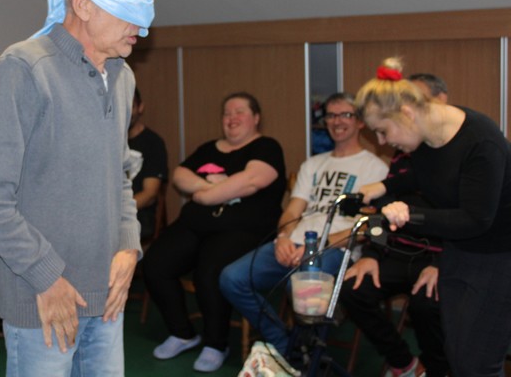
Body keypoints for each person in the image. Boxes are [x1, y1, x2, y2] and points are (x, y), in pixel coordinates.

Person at [0, 0, 154, 377]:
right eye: (132, 6)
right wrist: (46, 276)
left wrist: (128, 245)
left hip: (106, 295)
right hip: (42, 299)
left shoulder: (121, 76)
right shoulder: (23, 70)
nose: (143, 25)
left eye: (148, 7)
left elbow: (119, 176)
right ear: (83, 4)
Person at [357, 57, 511, 376]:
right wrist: (384, 187)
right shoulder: (426, 136)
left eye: (382, 131)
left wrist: (410, 215)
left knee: (478, 363)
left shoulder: (480, 141)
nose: (382, 142)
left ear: (407, 113)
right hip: (458, 251)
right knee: (457, 354)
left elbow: (476, 220)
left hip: (499, 258)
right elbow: (427, 172)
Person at [218, 92, 388, 360]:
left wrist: (318, 246)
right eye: (331, 115)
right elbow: (292, 210)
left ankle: (308, 355)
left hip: (336, 249)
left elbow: (367, 228)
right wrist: (283, 237)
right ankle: (286, 343)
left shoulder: (375, 169)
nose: (337, 121)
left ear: (360, 122)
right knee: (231, 278)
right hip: (295, 243)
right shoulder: (313, 164)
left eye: (346, 115)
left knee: (299, 287)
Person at [142, 92, 287, 373]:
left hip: (244, 228)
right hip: (196, 224)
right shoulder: (209, 148)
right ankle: (182, 332)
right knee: (155, 264)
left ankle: (216, 343)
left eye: (240, 112)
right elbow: (180, 176)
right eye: (227, 113)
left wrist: (206, 194)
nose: (232, 118)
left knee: (209, 271)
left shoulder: (267, 147)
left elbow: (252, 181)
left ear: (256, 118)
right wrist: (220, 187)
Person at [341, 74, 450, 377]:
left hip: (439, 257)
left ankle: (436, 368)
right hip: (397, 252)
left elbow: (467, 219)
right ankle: (403, 362)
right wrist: (371, 254)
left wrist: (441, 264)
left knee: (425, 305)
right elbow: (380, 207)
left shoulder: (452, 156)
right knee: (352, 289)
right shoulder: (401, 153)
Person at [128, 87, 169, 240]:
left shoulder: (153, 143)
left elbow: (150, 194)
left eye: (130, 106)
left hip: (139, 216)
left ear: (140, 108)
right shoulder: (108, 141)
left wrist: (117, 212)